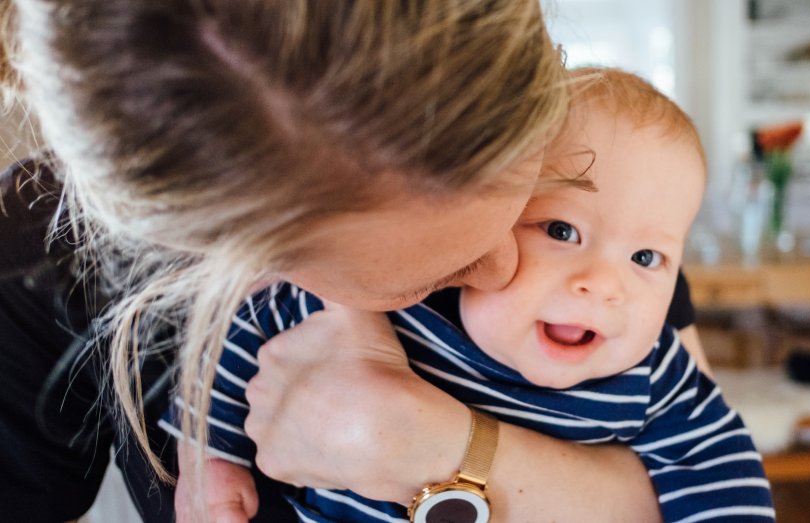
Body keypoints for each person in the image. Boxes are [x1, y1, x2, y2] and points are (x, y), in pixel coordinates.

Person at [0, 2, 708, 521]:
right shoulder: (29, 272)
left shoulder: (603, 188)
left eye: (533, 211)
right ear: (233, 257)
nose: (504, 268)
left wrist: (441, 448)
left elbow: (702, 473)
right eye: (436, 273)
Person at [168, 69, 775, 523]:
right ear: (491, 213)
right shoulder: (400, 301)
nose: (604, 283)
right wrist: (209, 457)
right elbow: (248, 328)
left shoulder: (653, 371)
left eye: (647, 258)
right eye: (562, 231)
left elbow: (721, 471)